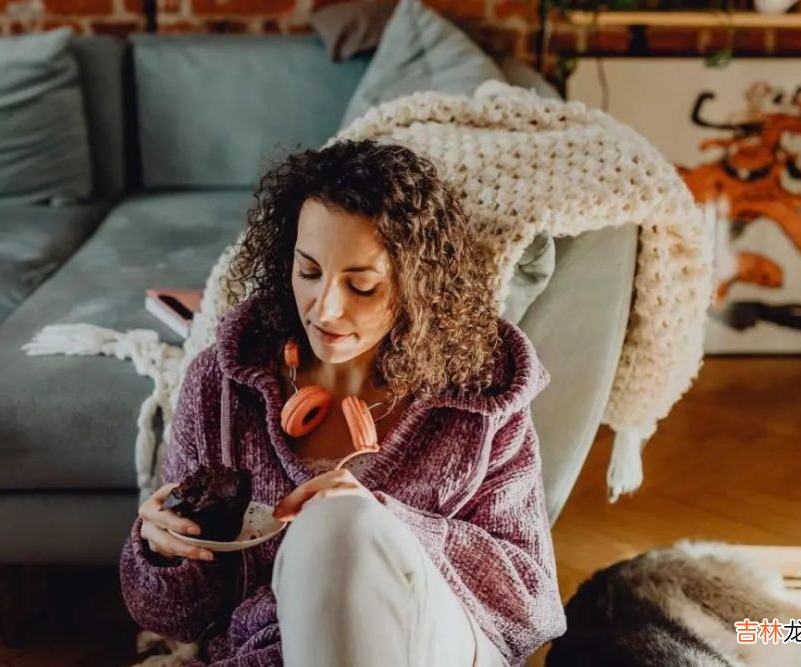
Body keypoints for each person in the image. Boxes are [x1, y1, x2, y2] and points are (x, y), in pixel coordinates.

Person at [119, 139, 566, 667]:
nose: (325, 308)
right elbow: (170, 619)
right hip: (264, 653)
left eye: (362, 286)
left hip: (436, 644)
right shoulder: (219, 386)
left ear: (416, 288)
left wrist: (384, 521)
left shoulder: (479, 396)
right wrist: (162, 551)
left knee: (339, 525)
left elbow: (530, 606)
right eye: (309, 272)